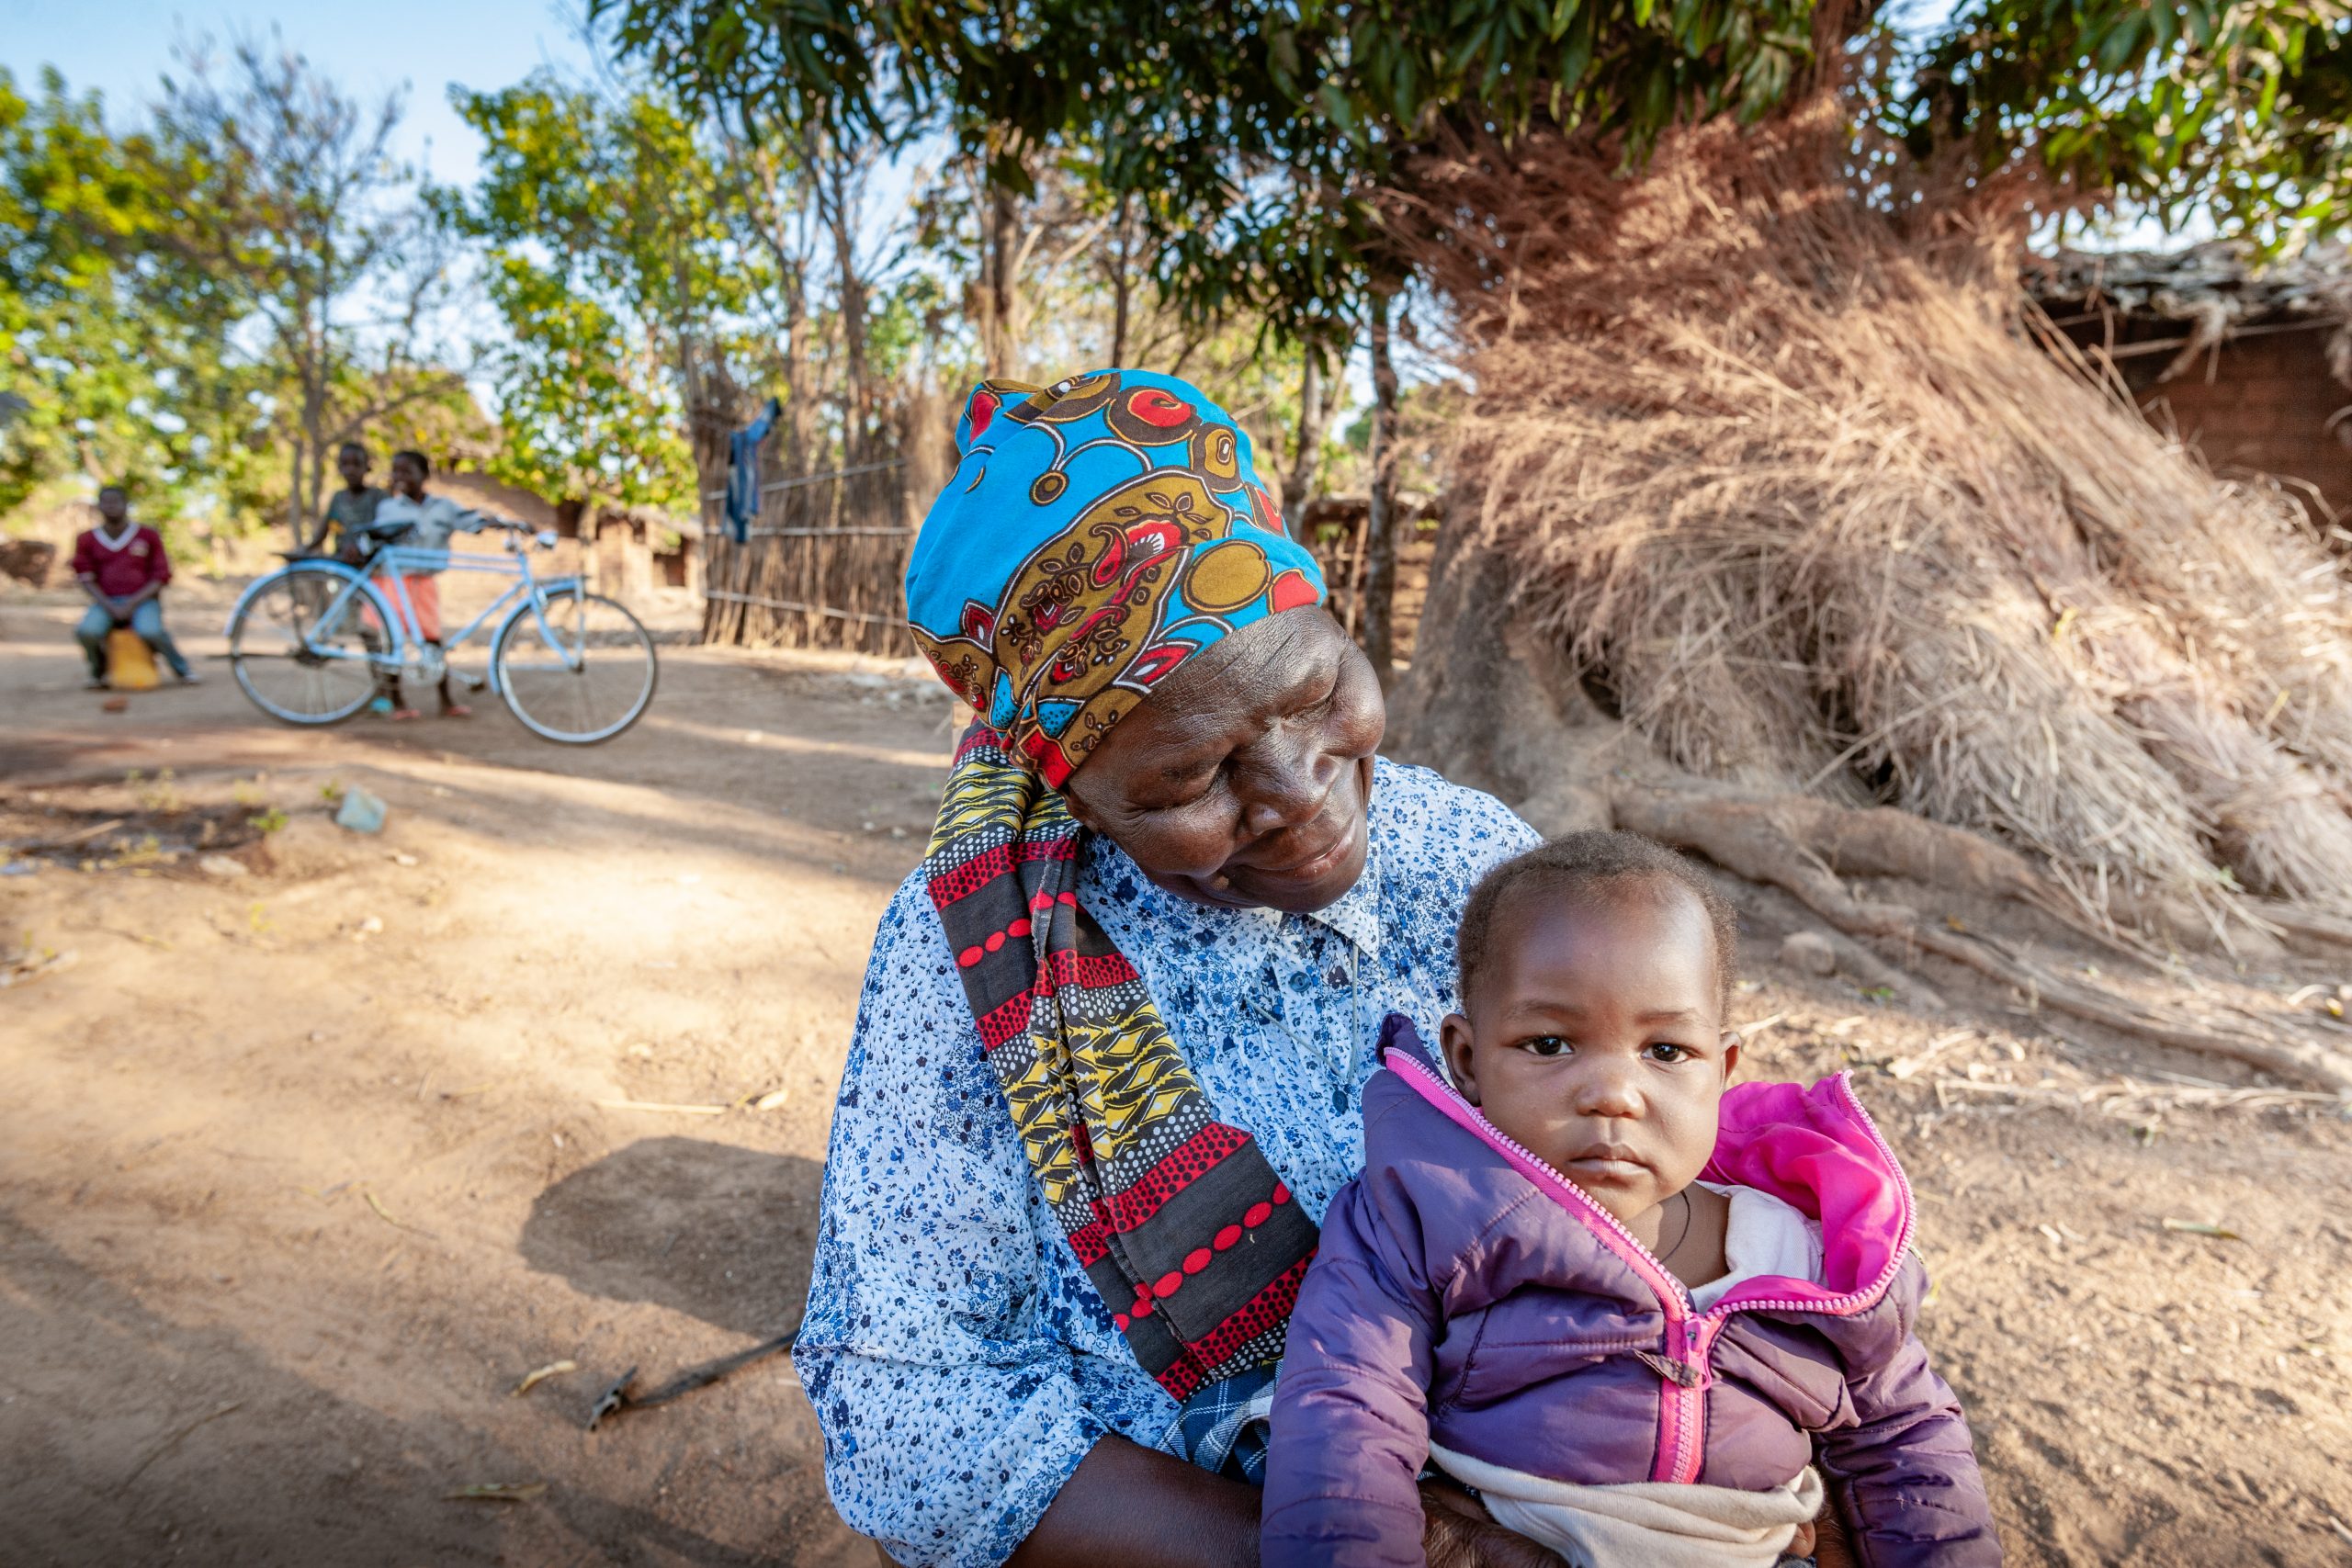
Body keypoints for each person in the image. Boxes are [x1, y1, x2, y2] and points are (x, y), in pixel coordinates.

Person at [795, 369, 1559, 1568]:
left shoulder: (1479, 870)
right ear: (1071, 783)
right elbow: (910, 1409)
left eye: (1314, 691)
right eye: (1189, 779)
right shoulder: (972, 944)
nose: (1300, 789)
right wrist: (1355, 1544)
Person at [1261, 832, 2001, 1568]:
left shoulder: (1809, 1252)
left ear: (1723, 1068)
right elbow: (1346, 1417)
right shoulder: (1421, 1217)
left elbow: (1905, 1435)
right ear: (1468, 1060)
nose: (1614, 1092)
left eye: (1666, 1051)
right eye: (1550, 1044)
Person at [361, 449, 492, 719]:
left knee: (432, 640)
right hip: (394, 581)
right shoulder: (389, 508)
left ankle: (446, 701)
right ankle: (397, 703)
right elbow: (371, 540)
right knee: (393, 642)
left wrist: (498, 522)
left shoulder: (443, 507)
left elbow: (471, 521)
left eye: (406, 471)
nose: (400, 477)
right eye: (396, 471)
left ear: (424, 474)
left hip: (425, 583)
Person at [72, 484, 197, 688]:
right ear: (99, 506)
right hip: (106, 602)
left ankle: (182, 670)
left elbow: (161, 576)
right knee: (87, 631)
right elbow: (85, 577)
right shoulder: (86, 539)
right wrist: (110, 606)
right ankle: (98, 671)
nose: (111, 506)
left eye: (116, 502)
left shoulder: (148, 535)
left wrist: (132, 603)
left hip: (142, 600)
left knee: (151, 631)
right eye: (106, 502)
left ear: (126, 505)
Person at [304, 441, 388, 563]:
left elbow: (385, 531)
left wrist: (361, 548)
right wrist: (304, 550)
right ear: (339, 467)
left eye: (356, 464)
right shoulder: (338, 498)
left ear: (367, 466)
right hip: (342, 563)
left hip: (371, 564)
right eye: (345, 464)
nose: (350, 470)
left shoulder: (378, 496)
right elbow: (324, 530)